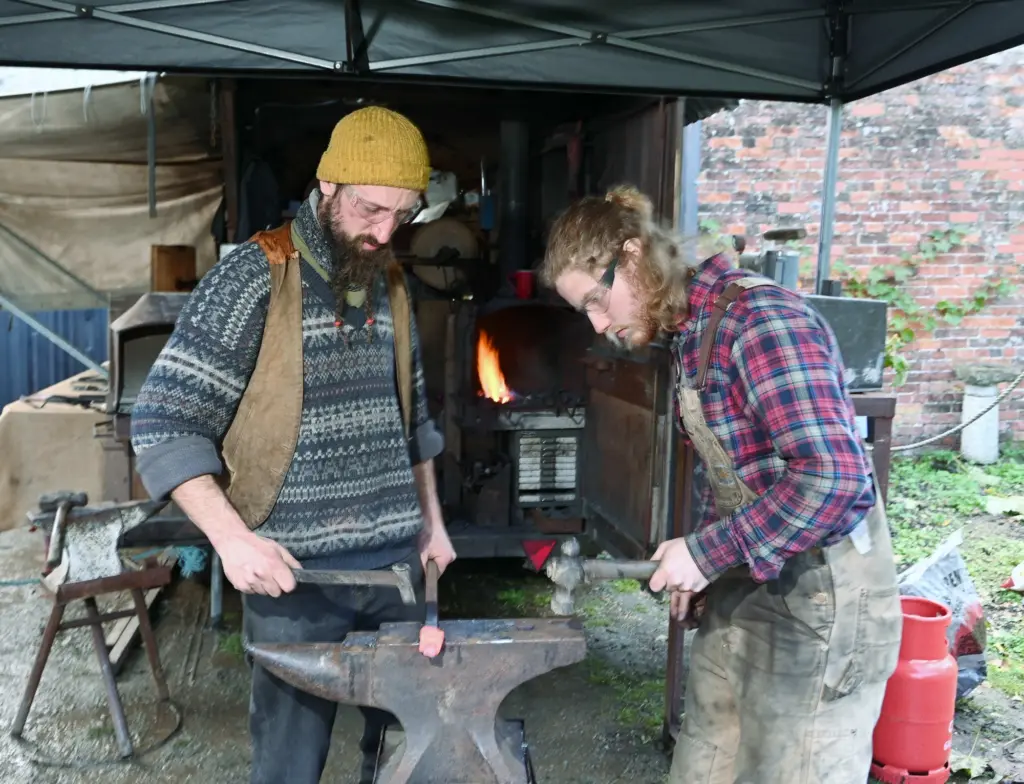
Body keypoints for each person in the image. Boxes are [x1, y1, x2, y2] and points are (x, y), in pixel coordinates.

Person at [130, 106, 457, 784]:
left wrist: (432, 523)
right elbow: (163, 422)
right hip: (292, 574)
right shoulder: (252, 276)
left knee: (405, 757)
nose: (385, 231)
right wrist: (230, 539)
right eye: (370, 209)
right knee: (288, 767)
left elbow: (414, 420)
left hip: (396, 569)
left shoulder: (390, 280)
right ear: (328, 186)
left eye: (403, 215)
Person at [539, 185, 903, 784]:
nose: (600, 325)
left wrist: (708, 552)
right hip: (748, 581)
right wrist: (703, 564)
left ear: (632, 257)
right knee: (703, 763)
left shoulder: (763, 322)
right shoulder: (692, 331)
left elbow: (835, 479)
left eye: (598, 301)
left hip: (822, 597)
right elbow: (736, 469)